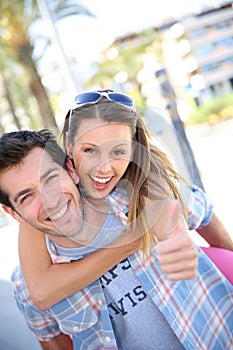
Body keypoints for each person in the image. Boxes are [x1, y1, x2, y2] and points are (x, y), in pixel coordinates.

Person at [0, 94, 232, 349]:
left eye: (51, 178)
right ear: (12, 213)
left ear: (71, 169)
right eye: (26, 196)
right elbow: (54, 344)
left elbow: (203, 212)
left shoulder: (141, 197)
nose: (51, 200)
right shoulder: (27, 287)